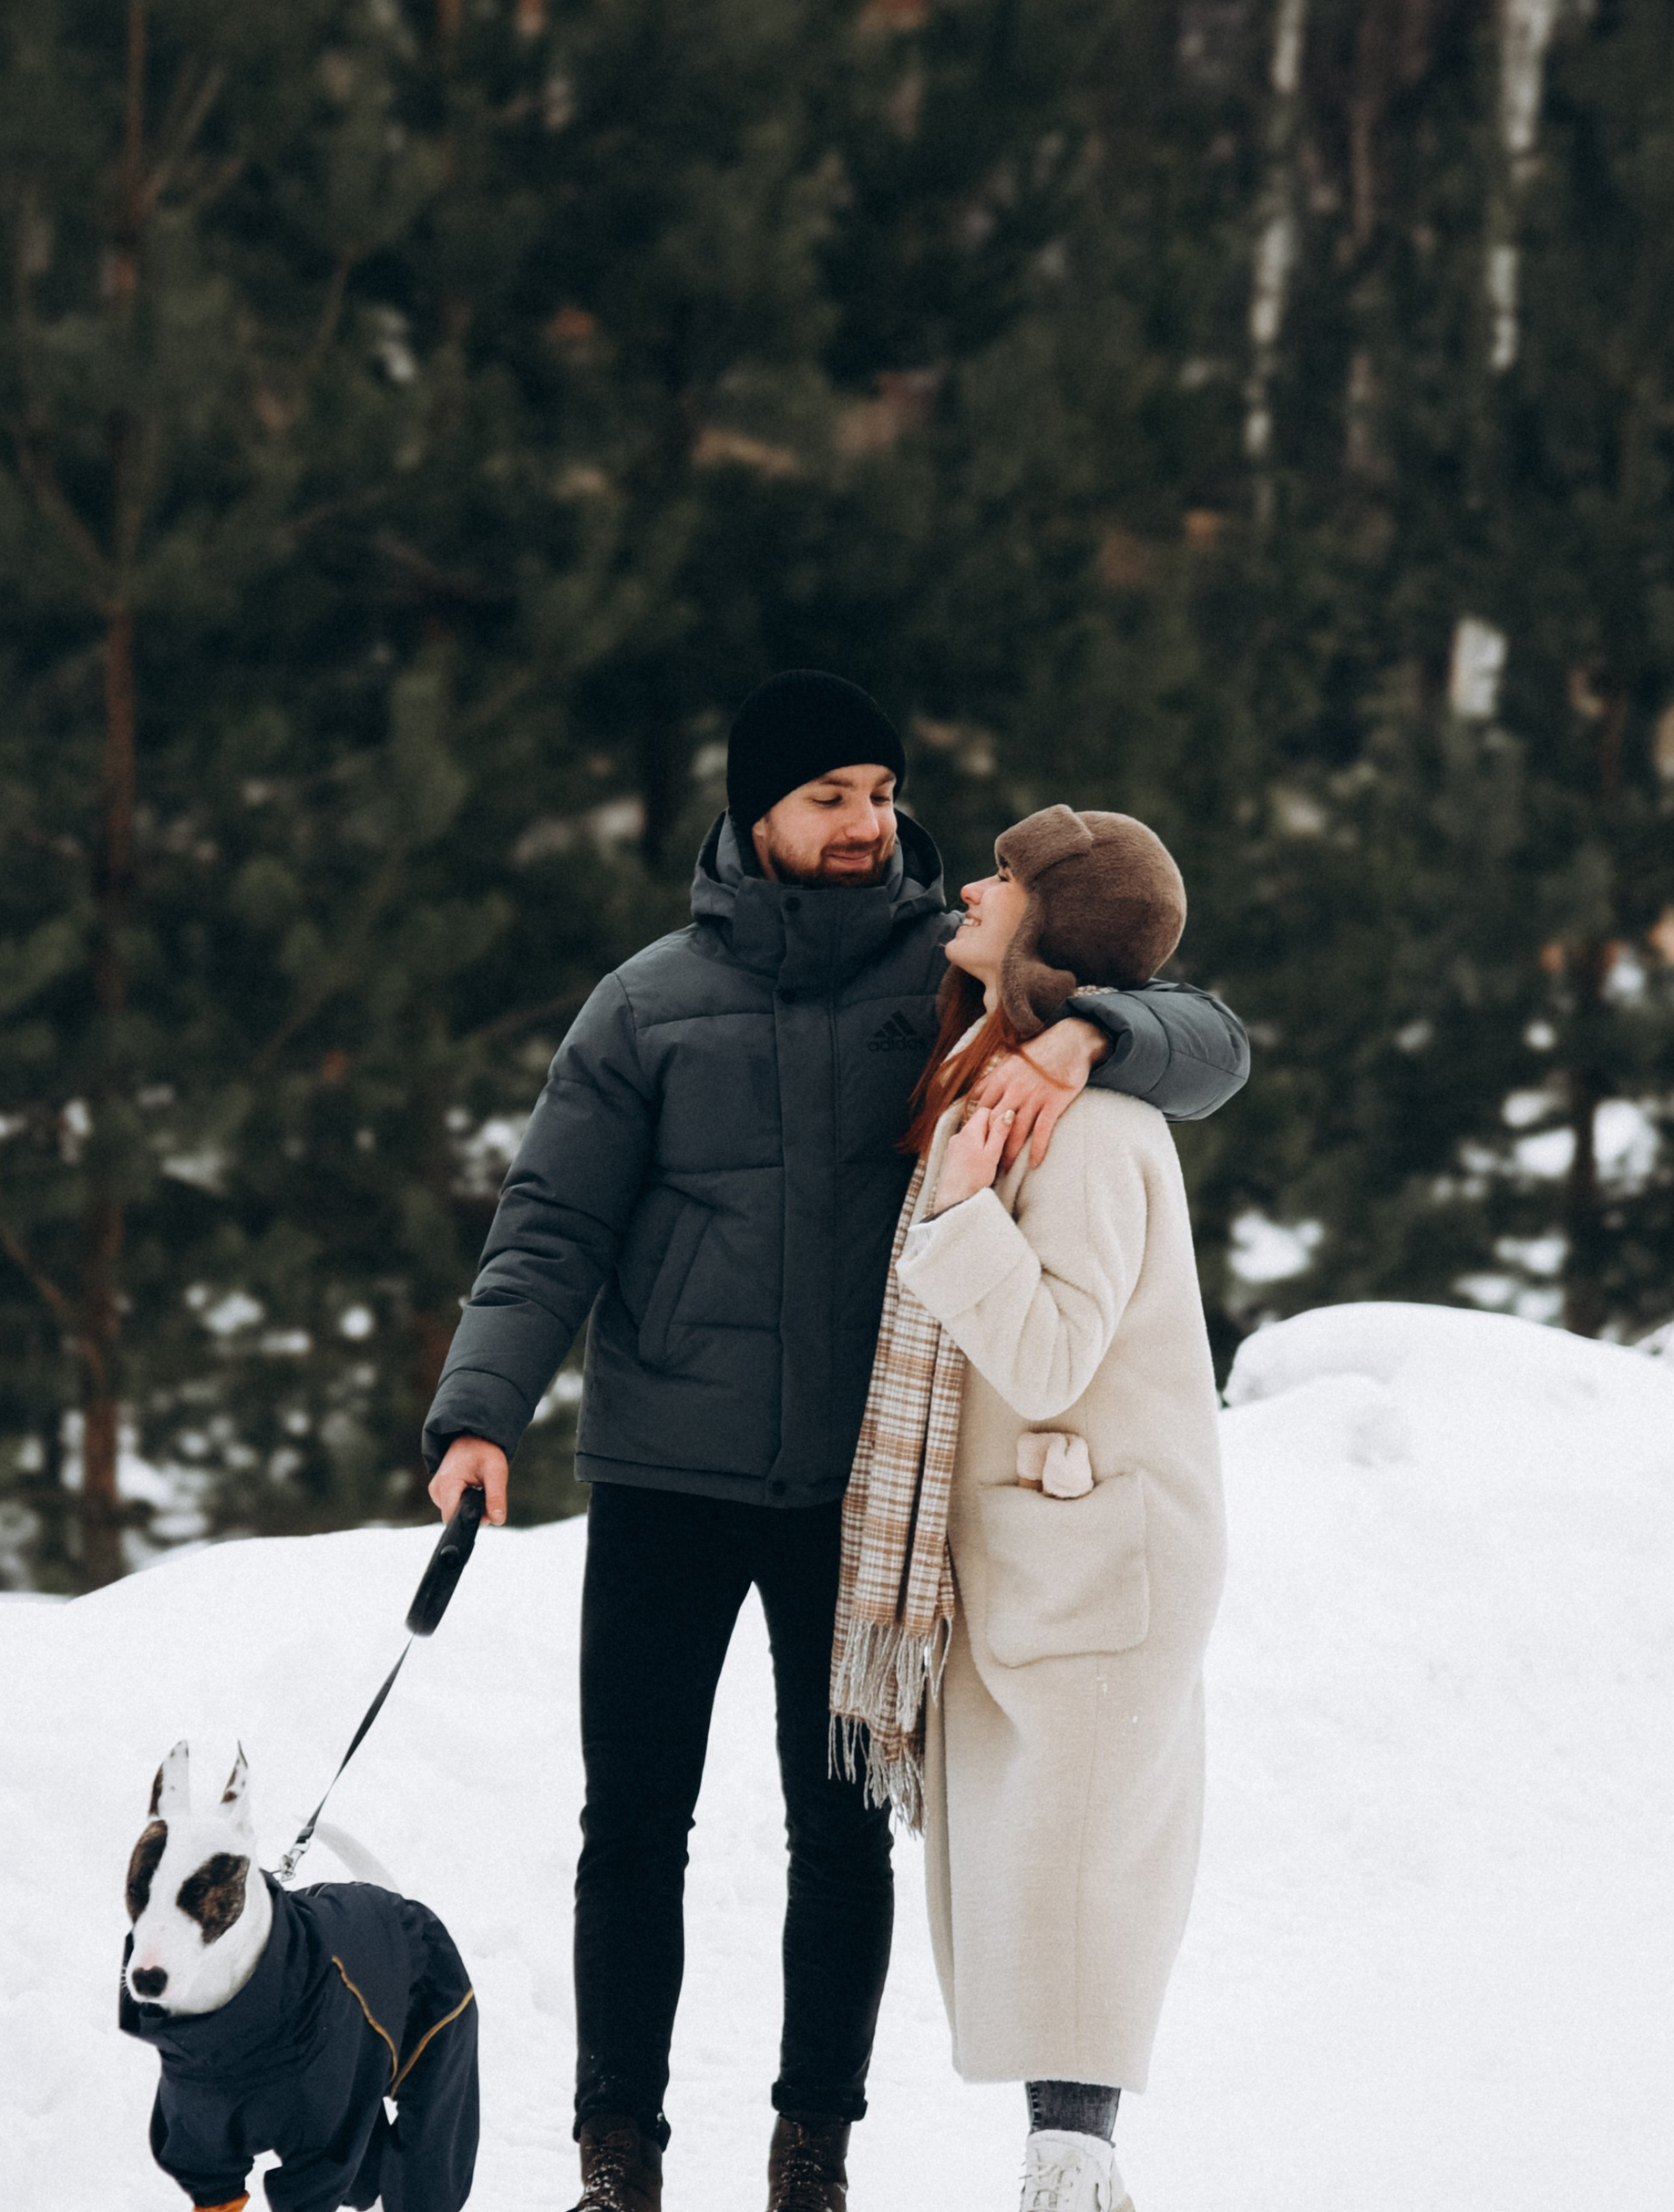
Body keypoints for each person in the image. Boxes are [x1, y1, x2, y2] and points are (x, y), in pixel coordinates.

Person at [420, 672, 1248, 2212]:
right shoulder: (648, 1002)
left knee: (842, 1832)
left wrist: (1096, 1039)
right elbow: (550, 1225)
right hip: (667, 1471)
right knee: (634, 1827)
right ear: (757, 815)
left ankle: (816, 2154)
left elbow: (1205, 1034)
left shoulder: (946, 971)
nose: (871, 825)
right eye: (832, 799)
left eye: (882, 792)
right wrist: (480, 1411)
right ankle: (620, 2157)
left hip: (857, 1495)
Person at [828, 806, 1227, 2212]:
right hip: (1038, 1541)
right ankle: (1066, 2164)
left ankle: (1077, 2173)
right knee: (1036, 1873)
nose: (975, 887)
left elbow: (1055, 1352)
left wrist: (953, 1217)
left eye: (1007, 878)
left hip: (1097, 1553)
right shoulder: (988, 1069)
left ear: (1052, 929)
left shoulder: (1099, 1127)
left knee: (1072, 1879)